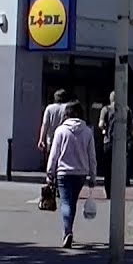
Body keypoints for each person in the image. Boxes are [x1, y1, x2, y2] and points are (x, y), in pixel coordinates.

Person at [46, 101, 97, 248]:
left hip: (63, 172)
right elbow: (92, 156)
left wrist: (50, 173)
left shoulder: (60, 131)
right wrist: (93, 176)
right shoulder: (87, 132)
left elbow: (54, 154)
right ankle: (68, 231)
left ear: (66, 114)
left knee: (66, 202)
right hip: (80, 173)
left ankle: (67, 231)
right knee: (72, 202)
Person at [98, 91, 133, 199]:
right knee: (120, 168)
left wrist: (105, 130)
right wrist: (129, 135)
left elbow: (100, 124)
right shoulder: (126, 109)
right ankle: (119, 192)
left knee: (108, 168)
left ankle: (108, 193)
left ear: (110, 99)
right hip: (121, 142)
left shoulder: (105, 109)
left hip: (108, 142)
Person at [37, 89, 70, 160]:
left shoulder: (49, 108)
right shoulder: (67, 107)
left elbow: (45, 124)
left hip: (51, 139)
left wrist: (41, 139)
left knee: (51, 160)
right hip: (64, 138)